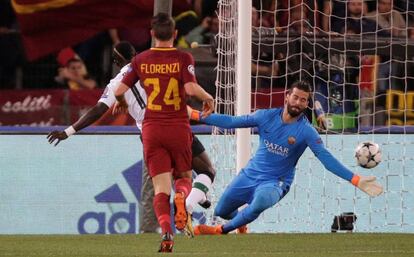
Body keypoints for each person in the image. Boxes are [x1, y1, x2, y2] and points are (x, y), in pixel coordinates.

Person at [47, 41, 217, 232]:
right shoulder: (150, 68)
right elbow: (185, 89)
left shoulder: (115, 85)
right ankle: (189, 202)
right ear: (135, 53)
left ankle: (169, 225)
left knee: (159, 187)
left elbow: (97, 110)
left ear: (115, 62)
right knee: (204, 171)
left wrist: (68, 131)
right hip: (173, 124)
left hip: (149, 134)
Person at [188, 81, 383, 235]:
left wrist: (356, 179)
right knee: (221, 210)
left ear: (307, 104)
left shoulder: (307, 131)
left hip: (276, 182)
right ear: (287, 97)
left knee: (261, 201)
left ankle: (221, 230)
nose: (298, 103)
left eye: (303, 100)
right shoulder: (265, 116)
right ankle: (241, 223)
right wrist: (196, 115)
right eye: (295, 97)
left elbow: (327, 159)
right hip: (250, 174)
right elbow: (231, 122)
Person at [113, 14, 214, 253]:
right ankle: (181, 197)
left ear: (151, 34)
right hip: (177, 126)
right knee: (184, 177)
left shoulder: (141, 60)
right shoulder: (182, 57)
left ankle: (167, 233)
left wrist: (124, 104)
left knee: (160, 189)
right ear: (175, 34)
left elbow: (119, 90)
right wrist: (207, 97)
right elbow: (190, 89)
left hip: (152, 128)